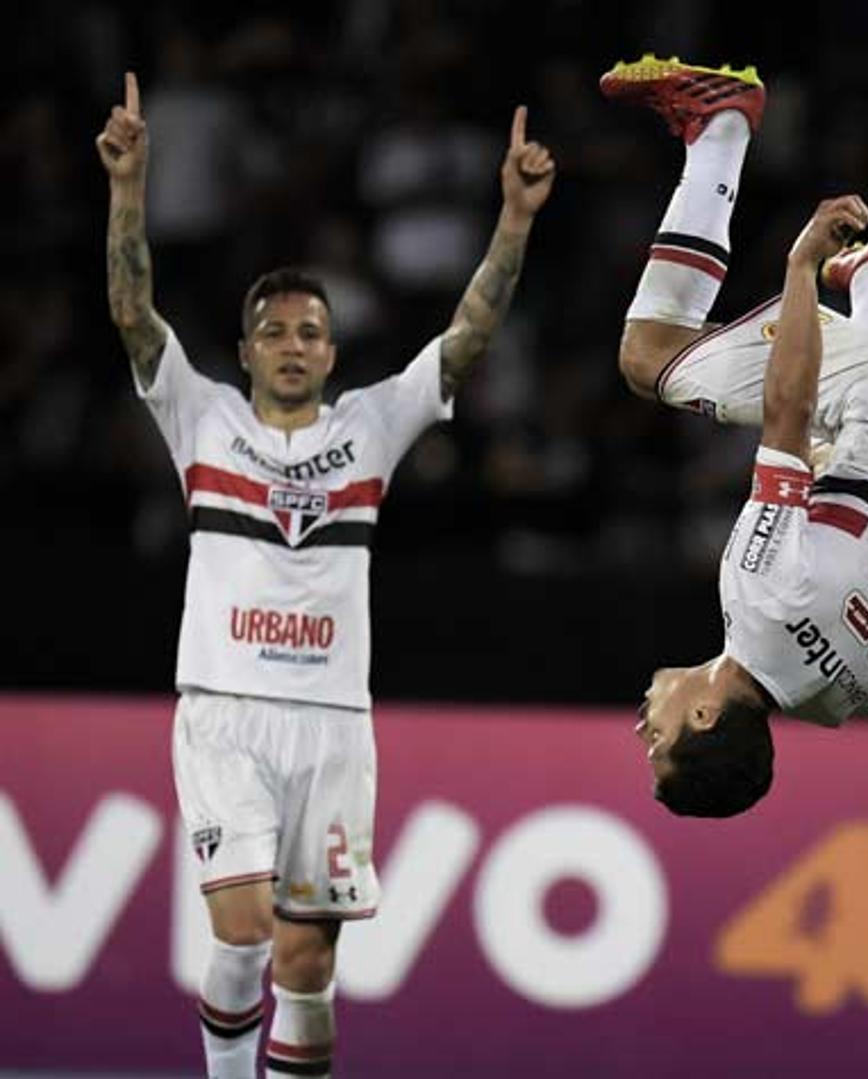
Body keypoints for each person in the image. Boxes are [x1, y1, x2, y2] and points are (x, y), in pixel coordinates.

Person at [96, 71, 553, 1078]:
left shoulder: (371, 426)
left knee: (308, 962)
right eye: (274, 331)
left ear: (332, 349)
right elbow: (133, 309)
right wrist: (129, 189)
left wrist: (513, 220)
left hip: (335, 724)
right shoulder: (200, 415)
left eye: (310, 330)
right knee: (246, 921)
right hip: (224, 708)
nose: (293, 344)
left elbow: (470, 335)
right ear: (248, 351)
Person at [599, 55, 868, 817]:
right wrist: (799, 263)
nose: (639, 729)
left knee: (839, 473)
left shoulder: (846, 701)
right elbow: (786, 409)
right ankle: (720, 124)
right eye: (655, 746)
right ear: (703, 717)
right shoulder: (757, 602)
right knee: (651, 356)